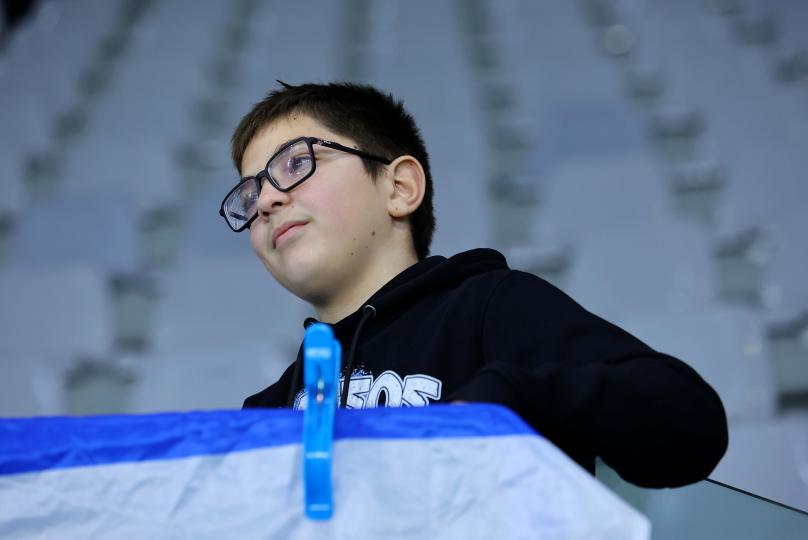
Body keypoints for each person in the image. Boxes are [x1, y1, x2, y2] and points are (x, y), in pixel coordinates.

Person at [220, 81, 728, 488]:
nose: (265, 202)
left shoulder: (491, 306)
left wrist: (513, 397)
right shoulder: (265, 410)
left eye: (295, 163)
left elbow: (689, 421)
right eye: (248, 194)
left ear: (400, 187)